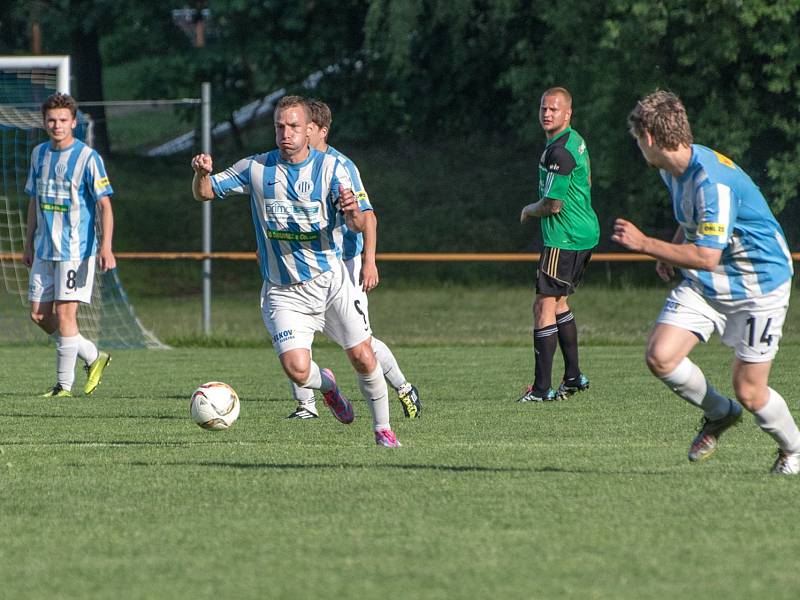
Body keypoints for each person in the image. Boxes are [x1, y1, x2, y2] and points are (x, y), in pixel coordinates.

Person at [191, 95, 401, 447]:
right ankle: (329, 387)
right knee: (298, 371)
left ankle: (383, 430)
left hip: (331, 282)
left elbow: (359, 222)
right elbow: (205, 193)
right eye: (279, 126)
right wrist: (200, 174)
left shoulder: (334, 169)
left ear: (309, 130)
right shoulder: (256, 168)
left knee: (364, 356)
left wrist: (352, 213)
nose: (285, 133)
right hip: (282, 290)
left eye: (293, 126)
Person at [612, 90, 800, 474]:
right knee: (661, 356)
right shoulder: (673, 168)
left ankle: (793, 450)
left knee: (749, 390)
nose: (638, 148)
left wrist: (648, 245)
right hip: (709, 281)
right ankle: (720, 414)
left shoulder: (712, 182)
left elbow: (707, 255)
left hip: (759, 286)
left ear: (648, 136)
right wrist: (673, 249)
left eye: (637, 141)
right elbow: (694, 227)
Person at [284, 99, 422, 420]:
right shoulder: (291, 165)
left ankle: (402, 386)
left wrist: (369, 260)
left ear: (319, 131)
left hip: (344, 264)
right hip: (303, 264)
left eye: (304, 127)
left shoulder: (341, 166)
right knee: (293, 333)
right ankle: (306, 406)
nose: (297, 133)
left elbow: (368, 218)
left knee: (361, 342)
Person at [22, 92, 114, 397]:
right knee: (38, 315)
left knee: (65, 315)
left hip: (76, 251)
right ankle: (92, 355)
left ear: (74, 122)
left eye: (63, 120)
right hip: (44, 249)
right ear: (44, 122)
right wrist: (28, 243)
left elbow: (105, 206)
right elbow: (34, 201)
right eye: (51, 119)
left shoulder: (88, 158)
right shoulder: (39, 155)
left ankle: (63, 385)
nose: (56, 125)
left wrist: (106, 247)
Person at [518, 87, 599, 402]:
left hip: (563, 238)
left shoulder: (559, 151)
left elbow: (552, 205)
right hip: (584, 233)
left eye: (554, 109)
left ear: (568, 113)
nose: (547, 114)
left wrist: (528, 209)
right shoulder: (574, 140)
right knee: (559, 304)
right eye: (543, 108)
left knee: (543, 306)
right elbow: (588, 182)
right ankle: (574, 377)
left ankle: (540, 390)